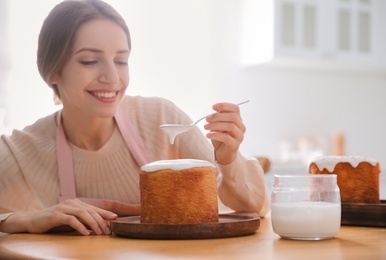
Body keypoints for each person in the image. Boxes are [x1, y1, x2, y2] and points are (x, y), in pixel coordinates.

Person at [0, 0, 269, 236]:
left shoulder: (162, 119)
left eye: (121, 60)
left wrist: (228, 160)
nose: (112, 78)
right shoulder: (20, 151)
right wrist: (24, 219)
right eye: (90, 61)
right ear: (53, 71)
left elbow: (253, 209)